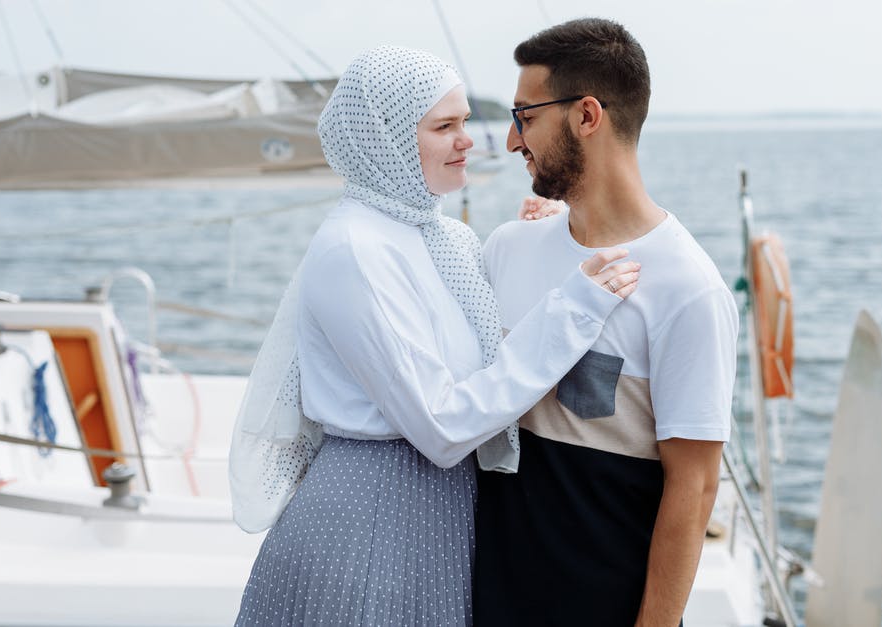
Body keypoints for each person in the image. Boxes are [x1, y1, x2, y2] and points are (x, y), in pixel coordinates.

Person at [230, 45, 640, 626]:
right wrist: (575, 307)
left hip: (434, 517)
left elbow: (494, 349)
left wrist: (542, 248)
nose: (468, 140)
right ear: (386, 139)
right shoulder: (354, 250)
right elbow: (443, 425)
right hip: (368, 523)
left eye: (465, 122)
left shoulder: (443, 238)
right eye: (443, 126)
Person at [473, 19, 740, 627]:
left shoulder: (688, 290)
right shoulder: (507, 249)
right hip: (481, 598)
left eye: (525, 117)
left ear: (587, 116)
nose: (514, 142)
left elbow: (694, 489)